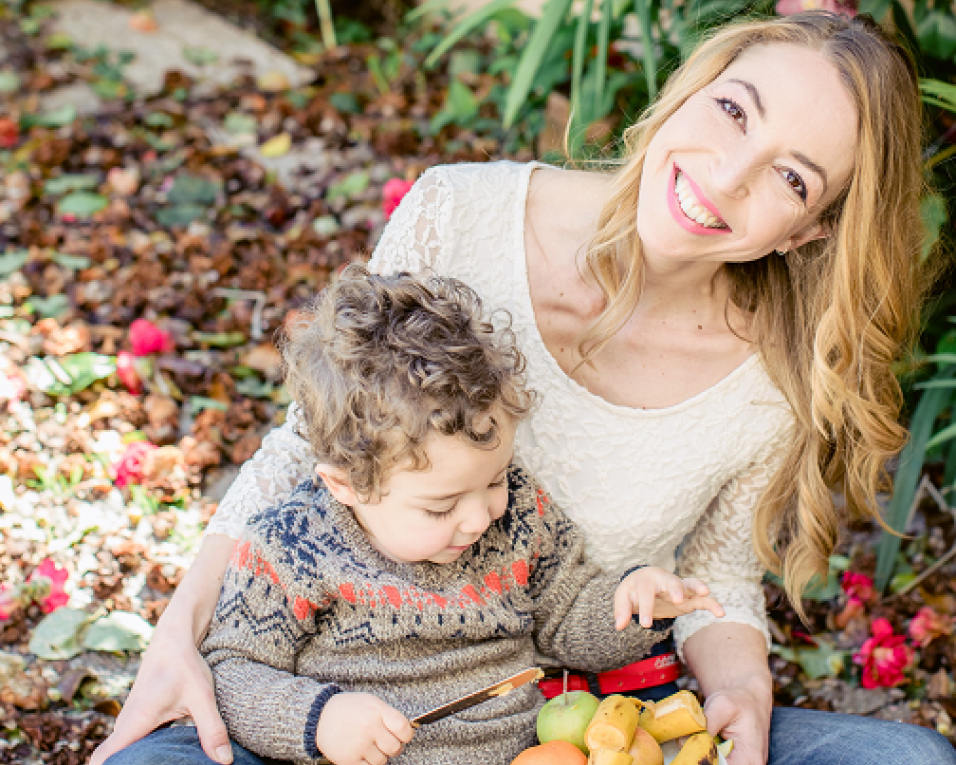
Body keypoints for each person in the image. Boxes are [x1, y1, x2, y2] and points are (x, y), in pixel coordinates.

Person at [90, 10, 956, 765]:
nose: (728, 174)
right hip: (352, 704)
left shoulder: (769, 372)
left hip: (581, 720)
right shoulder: (460, 214)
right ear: (694, 89)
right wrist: (178, 635)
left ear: (808, 232)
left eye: (790, 177)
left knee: (907, 757)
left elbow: (716, 574)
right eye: (733, 111)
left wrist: (741, 692)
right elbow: (312, 446)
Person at [104, 267, 724, 765]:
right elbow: (233, 668)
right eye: (440, 505)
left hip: (516, 753)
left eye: (491, 481)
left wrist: (630, 605)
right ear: (345, 486)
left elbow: (564, 619)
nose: (480, 516)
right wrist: (318, 720)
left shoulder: (520, 511)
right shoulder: (295, 544)